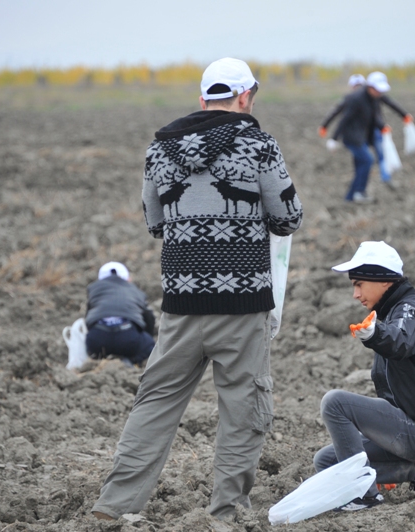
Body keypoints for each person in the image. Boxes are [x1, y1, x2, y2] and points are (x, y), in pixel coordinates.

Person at [91, 57, 303, 521]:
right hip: (244, 303)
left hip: (182, 303)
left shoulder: (159, 150)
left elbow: (153, 222)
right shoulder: (259, 144)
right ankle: (226, 515)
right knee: (243, 408)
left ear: (202, 98)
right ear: (245, 97)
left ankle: (115, 505)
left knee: (156, 401)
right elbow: (288, 217)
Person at [313, 241, 415, 511]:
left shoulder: (411, 309)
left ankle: (363, 495)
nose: (355, 294)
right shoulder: (391, 314)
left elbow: (399, 341)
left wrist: (376, 335)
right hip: (414, 431)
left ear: (383, 280)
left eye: (359, 284)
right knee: (326, 461)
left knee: (335, 403)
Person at [318, 71, 413, 201]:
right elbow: (344, 118)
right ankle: (359, 192)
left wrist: (383, 127)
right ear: (370, 86)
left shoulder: (374, 97)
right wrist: (333, 139)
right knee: (368, 160)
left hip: (362, 135)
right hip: (352, 137)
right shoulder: (355, 99)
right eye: (378, 90)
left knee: (361, 164)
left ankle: (351, 196)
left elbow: (374, 116)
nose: (380, 93)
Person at [84, 261, 156, 367]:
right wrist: (146, 335)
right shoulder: (135, 291)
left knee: (89, 344)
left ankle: (97, 362)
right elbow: (149, 319)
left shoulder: (94, 289)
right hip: (128, 338)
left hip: (97, 339)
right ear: (127, 278)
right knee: (150, 345)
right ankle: (129, 362)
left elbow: (88, 318)